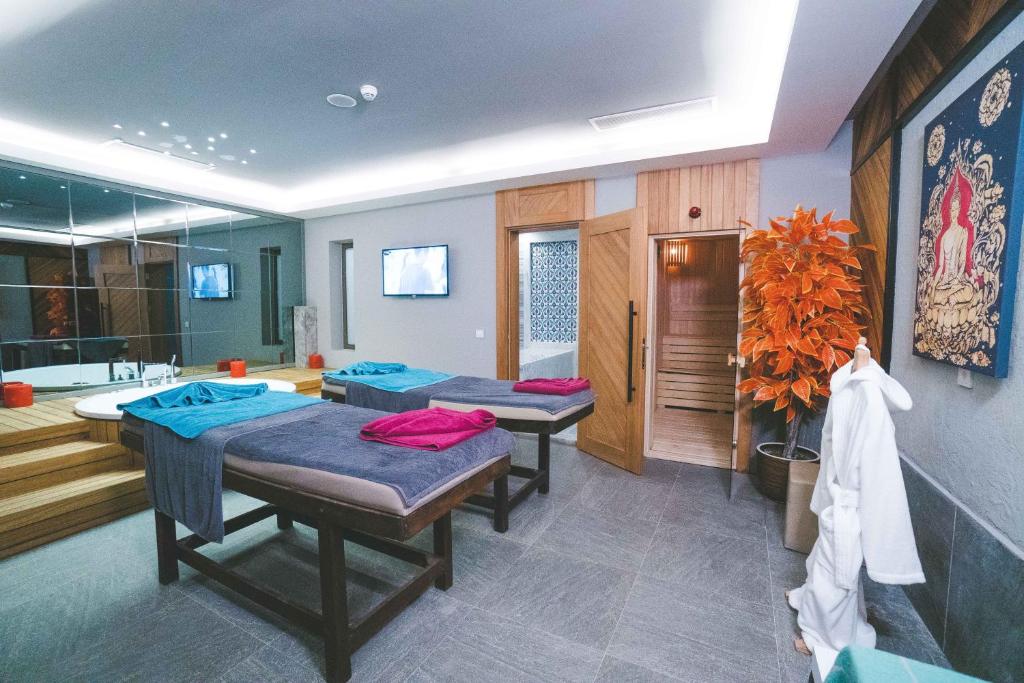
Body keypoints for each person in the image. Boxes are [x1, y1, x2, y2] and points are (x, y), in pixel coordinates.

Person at [787, 338, 924, 658]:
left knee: (837, 575)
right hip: (839, 497)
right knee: (825, 562)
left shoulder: (868, 395)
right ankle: (809, 602)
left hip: (850, 502)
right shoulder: (849, 385)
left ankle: (827, 640)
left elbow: (875, 463)